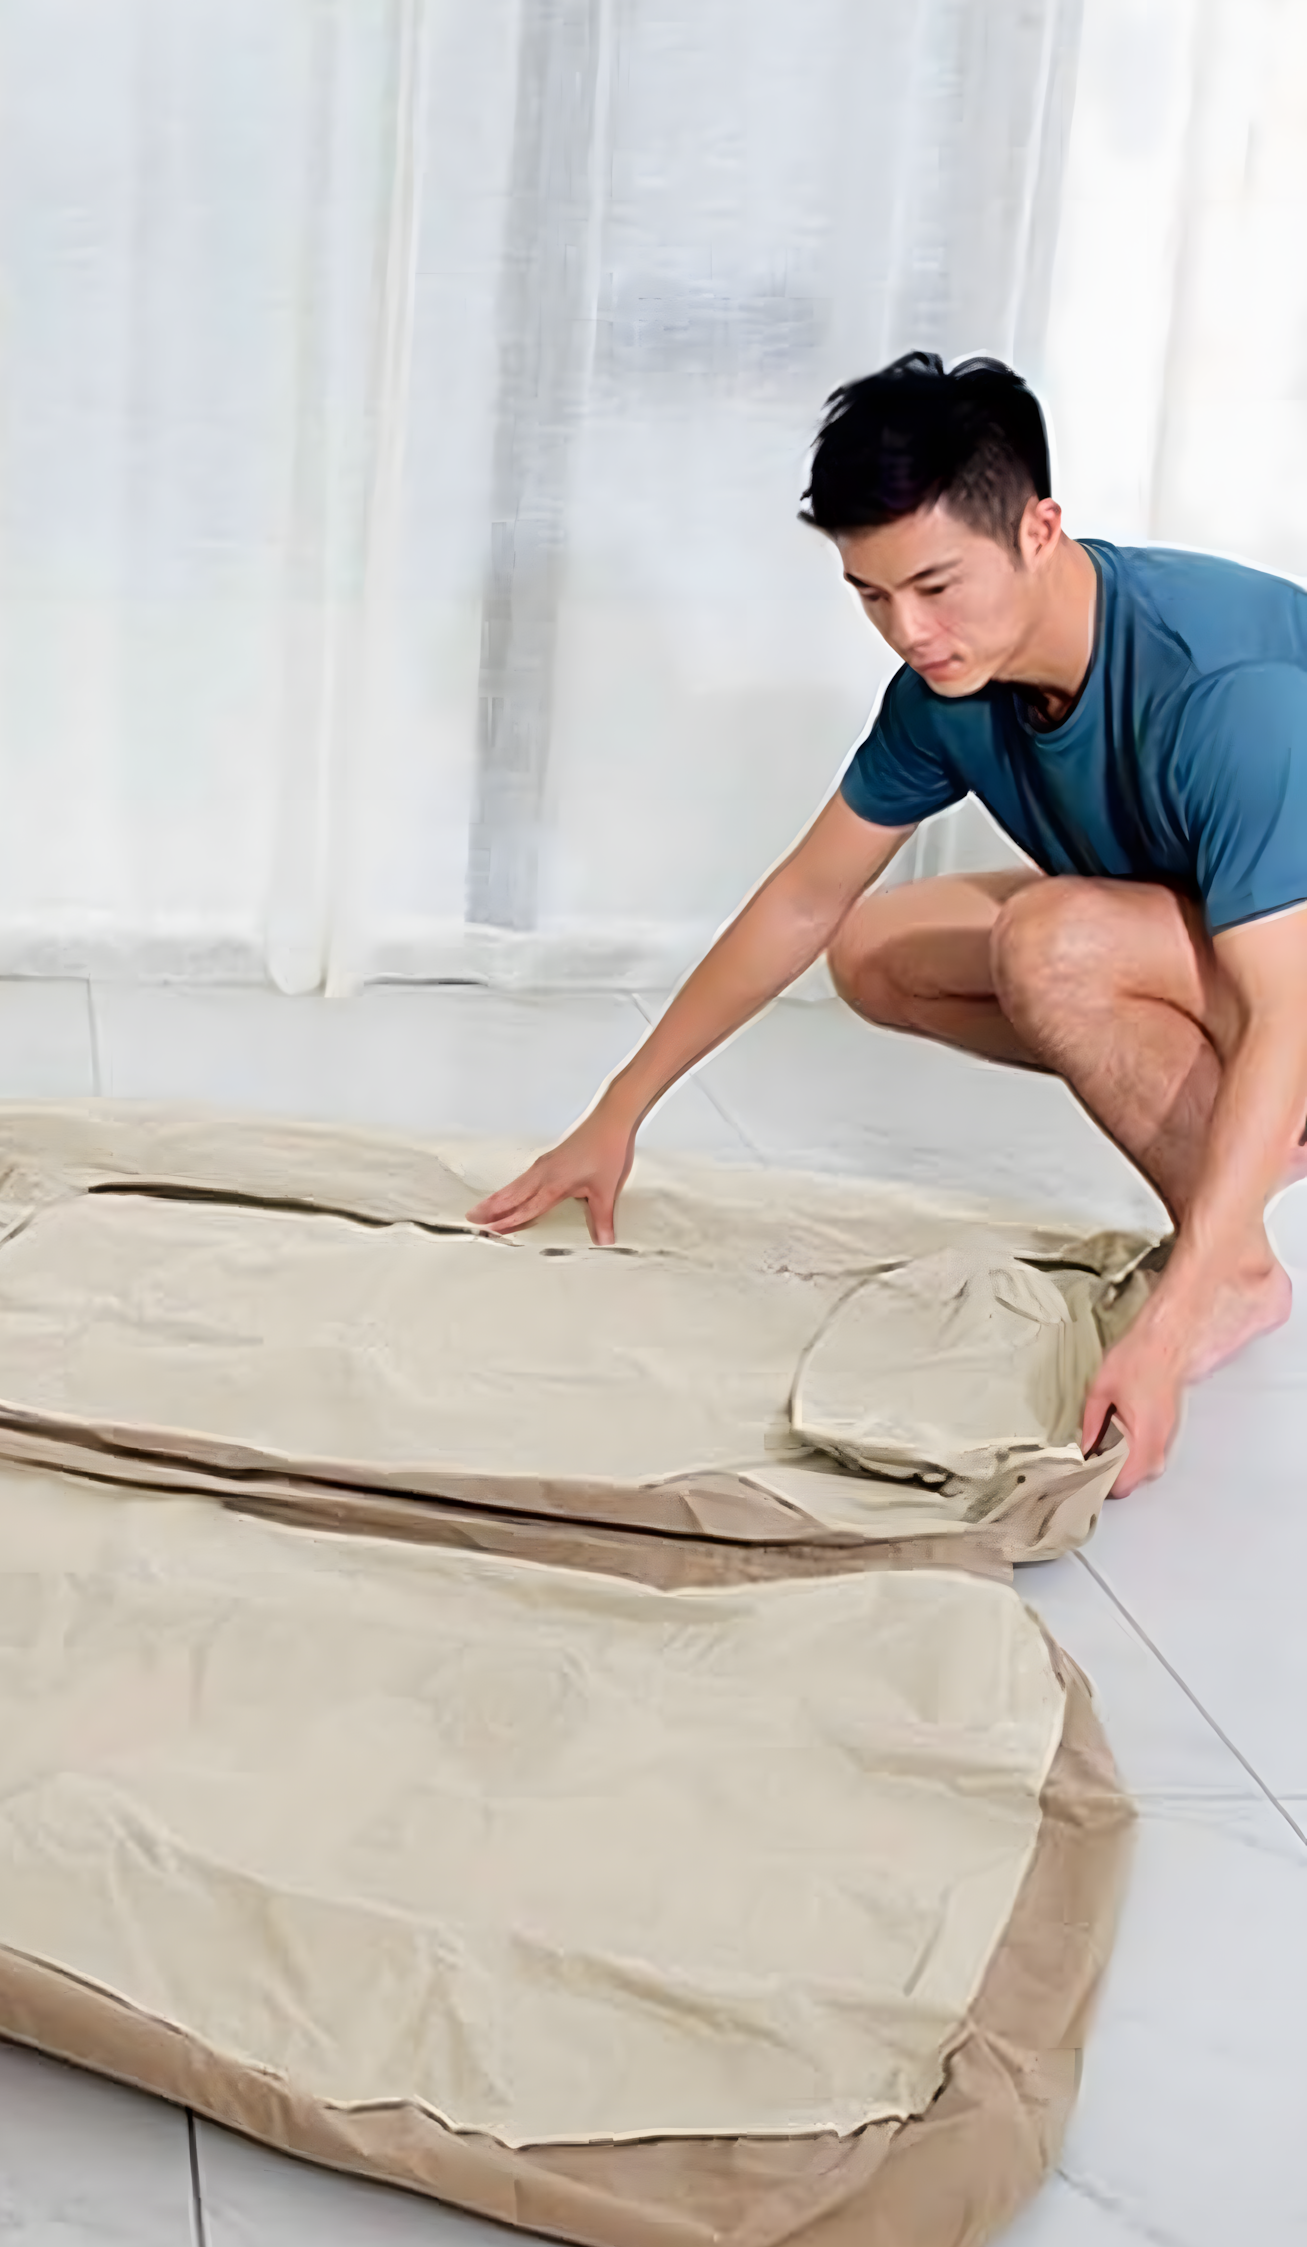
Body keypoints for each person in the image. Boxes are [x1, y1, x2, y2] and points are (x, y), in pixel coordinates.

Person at [476, 350, 1307, 1496]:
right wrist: (617, 1112)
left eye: (934, 585)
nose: (908, 630)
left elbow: (1282, 1007)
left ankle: (1234, 1272)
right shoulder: (948, 690)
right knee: (874, 951)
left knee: (1052, 945)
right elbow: (805, 899)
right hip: (1237, 945)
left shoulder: (1224, 692)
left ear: (1039, 529)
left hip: (1288, 976)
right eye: (871, 596)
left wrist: (1159, 1339)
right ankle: (1244, 1150)